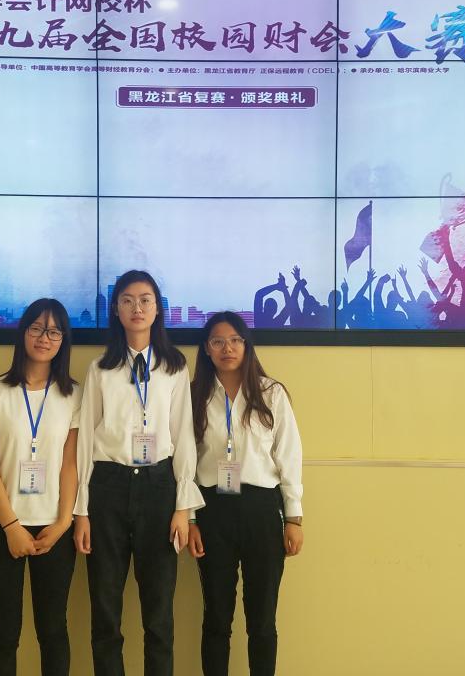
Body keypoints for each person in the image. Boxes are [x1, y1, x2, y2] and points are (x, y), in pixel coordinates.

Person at [73, 270, 204, 676]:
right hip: (107, 487)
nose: (137, 308)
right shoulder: (100, 369)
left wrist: (183, 508)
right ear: (116, 309)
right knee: (105, 613)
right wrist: (81, 510)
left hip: (159, 488)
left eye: (145, 300)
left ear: (157, 309)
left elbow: (183, 436)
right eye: (127, 300)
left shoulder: (175, 367)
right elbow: (84, 440)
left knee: (159, 615)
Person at [0, 298, 80, 676]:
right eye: (37, 328)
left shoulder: (73, 395)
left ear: (63, 340)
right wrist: (12, 527)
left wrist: (63, 523)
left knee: (53, 631)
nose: (44, 338)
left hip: (54, 529)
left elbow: (70, 465)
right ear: (23, 333)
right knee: (3, 634)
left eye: (54, 331)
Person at [188, 311, 304, 676]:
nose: (228, 348)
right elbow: (185, 462)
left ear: (246, 345)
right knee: (216, 618)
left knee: (262, 619)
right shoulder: (193, 395)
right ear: (206, 348)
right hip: (212, 511)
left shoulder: (271, 393)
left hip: (262, 510)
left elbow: (289, 456)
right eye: (218, 341)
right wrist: (190, 519)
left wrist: (294, 517)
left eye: (235, 340)